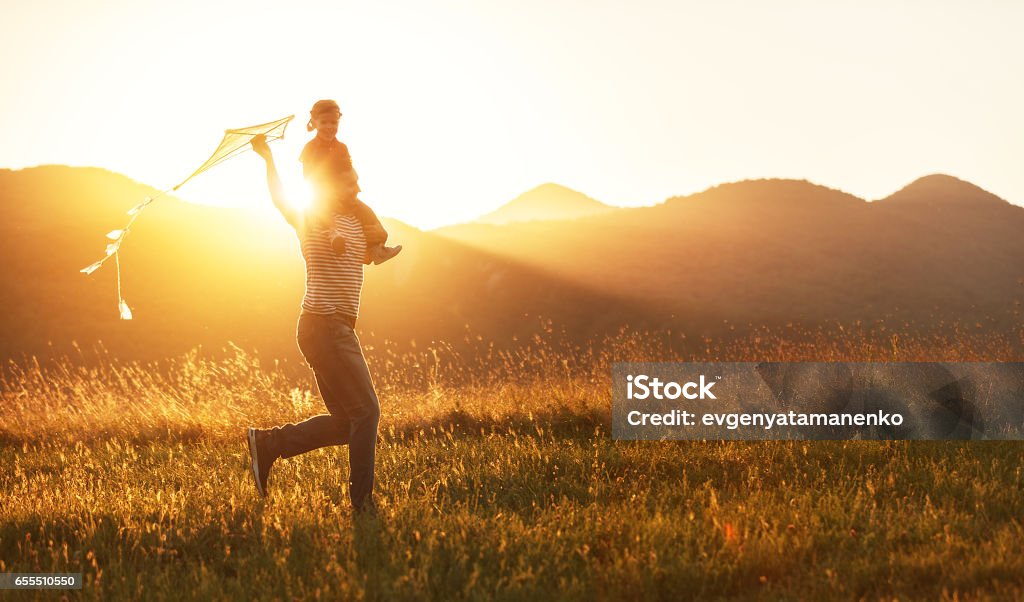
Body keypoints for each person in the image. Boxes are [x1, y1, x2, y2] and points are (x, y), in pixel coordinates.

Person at [245, 133, 381, 515]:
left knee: (347, 422)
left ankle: (269, 444)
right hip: (325, 326)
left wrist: (379, 253)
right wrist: (269, 158)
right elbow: (281, 200)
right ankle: (363, 504)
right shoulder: (312, 221)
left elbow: (368, 254)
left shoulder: (356, 222)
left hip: (334, 328)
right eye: (350, 182)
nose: (358, 187)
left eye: (358, 181)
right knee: (368, 412)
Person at [302, 99, 401, 265]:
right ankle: (334, 234)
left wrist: (349, 187)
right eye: (324, 122)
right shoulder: (310, 148)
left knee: (366, 212)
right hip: (323, 193)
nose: (329, 126)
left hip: (342, 192)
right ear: (314, 122)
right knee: (322, 207)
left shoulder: (342, 147)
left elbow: (348, 170)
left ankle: (376, 249)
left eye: (334, 122)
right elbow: (308, 176)